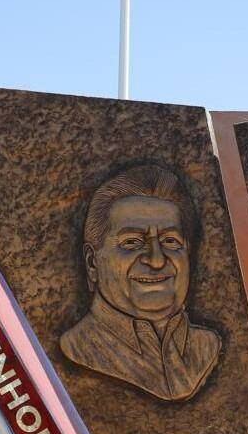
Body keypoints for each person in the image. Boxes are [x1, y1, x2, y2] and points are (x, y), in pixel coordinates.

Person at [60, 164, 221, 402]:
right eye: (132, 242)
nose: (156, 260)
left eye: (170, 240)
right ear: (92, 263)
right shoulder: (79, 349)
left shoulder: (208, 346)